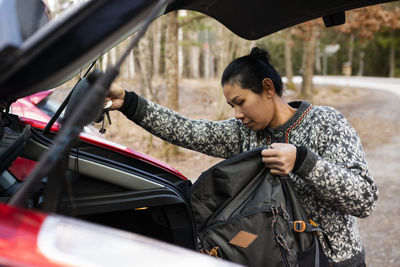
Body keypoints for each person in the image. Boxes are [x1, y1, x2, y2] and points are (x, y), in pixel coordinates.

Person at [107, 47, 377, 266]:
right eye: (231, 105)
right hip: (280, 259)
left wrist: (302, 161)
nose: (236, 113)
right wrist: (128, 102)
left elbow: (364, 199)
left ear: (268, 88)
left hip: (334, 260)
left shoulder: (325, 122)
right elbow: (188, 130)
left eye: (241, 101)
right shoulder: (243, 133)